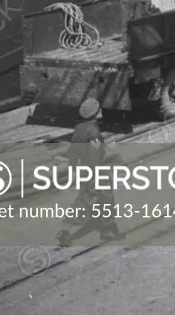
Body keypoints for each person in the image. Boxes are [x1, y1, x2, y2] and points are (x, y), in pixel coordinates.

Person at [56, 98, 121, 246]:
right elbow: (94, 155)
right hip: (96, 170)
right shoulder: (94, 133)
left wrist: (73, 168)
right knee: (106, 198)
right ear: (95, 114)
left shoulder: (79, 129)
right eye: (99, 109)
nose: (102, 111)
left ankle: (65, 228)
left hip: (83, 169)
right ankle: (108, 229)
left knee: (83, 199)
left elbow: (72, 150)